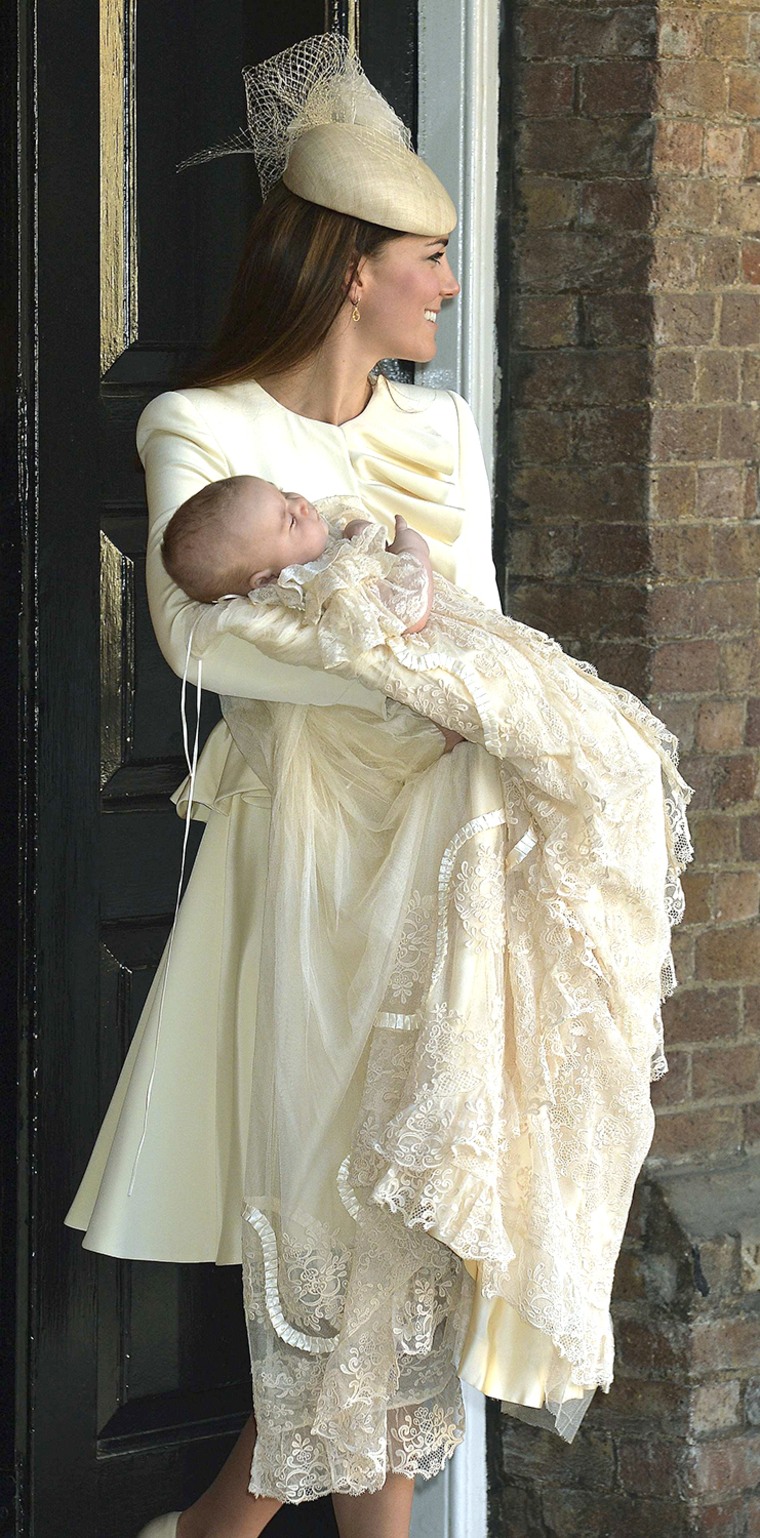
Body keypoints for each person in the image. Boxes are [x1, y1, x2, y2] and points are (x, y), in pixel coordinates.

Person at [63, 33, 688, 1538]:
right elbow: (201, 637)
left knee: (411, 1221)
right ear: (355, 271)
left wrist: (462, 684)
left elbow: (473, 616)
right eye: (431, 259)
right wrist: (387, 655)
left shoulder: (439, 432)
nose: (449, 287)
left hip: (447, 847)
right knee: (333, 1217)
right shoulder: (199, 429)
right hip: (309, 861)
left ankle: (214, 1530)